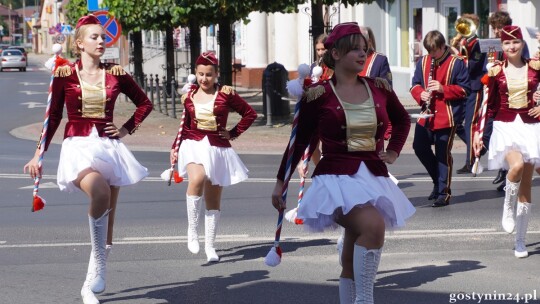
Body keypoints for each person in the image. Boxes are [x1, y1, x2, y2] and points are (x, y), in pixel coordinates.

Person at [272, 22, 415, 304]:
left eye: (365, 49)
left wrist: (394, 151)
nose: (362, 55)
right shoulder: (319, 94)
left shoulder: (380, 88)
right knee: (373, 226)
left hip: (373, 176)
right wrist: (280, 183)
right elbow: (298, 143)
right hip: (334, 180)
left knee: (350, 257)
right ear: (335, 54)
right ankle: (365, 300)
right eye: (354, 50)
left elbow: (401, 121)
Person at [23, 14, 153, 304]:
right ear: (79, 43)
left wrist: (125, 129)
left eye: (103, 37)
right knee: (99, 191)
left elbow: (145, 103)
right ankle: (94, 275)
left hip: (109, 147)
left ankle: (93, 278)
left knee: (108, 223)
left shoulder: (116, 74)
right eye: (94, 37)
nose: (101, 41)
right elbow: (53, 116)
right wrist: (38, 153)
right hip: (78, 145)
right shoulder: (65, 75)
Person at [170, 51, 257, 263]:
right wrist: (175, 147)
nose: (204, 79)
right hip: (193, 144)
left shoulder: (226, 94)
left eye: (209, 75)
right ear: (195, 73)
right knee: (197, 178)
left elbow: (250, 114)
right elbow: (185, 125)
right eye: (200, 74)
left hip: (217, 147)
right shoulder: (189, 95)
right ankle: (192, 230)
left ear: (216, 75)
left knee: (213, 199)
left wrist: (233, 133)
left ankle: (210, 245)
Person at [473, 25, 540, 258]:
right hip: (506, 126)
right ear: (501, 46)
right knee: (517, 165)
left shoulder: (535, 67)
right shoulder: (495, 71)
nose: (511, 47)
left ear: (522, 43)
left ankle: (520, 241)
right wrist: (477, 133)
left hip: (531, 127)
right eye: (507, 43)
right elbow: (485, 105)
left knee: (526, 187)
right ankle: (507, 208)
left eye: (516, 42)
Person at [410, 30, 470, 207]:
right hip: (427, 114)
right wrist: (421, 94)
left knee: (442, 154)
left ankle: (444, 192)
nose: (431, 55)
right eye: (429, 51)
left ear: (443, 47)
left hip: (447, 115)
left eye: (434, 51)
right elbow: (415, 85)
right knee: (419, 147)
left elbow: (465, 90)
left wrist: (443, 89)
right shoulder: (424, 61)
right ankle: (437, 181)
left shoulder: (456, 63)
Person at [486, 11, 531, 190]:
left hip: (517, 103)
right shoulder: (491, 44)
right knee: (490, 135)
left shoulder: (517, 44)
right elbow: (481, 71)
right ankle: (506, 170)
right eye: (494, 28)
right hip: (496, 97)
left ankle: (508, 174)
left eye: (499, 27)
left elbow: (525, 68)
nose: (496, 31)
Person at [452, 14, 487, 175]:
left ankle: (470, 160)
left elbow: (474, 65)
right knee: (457, 123)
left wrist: (459, 57)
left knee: (470, 124)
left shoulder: (477, 43)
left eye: (468, 24)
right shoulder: (464, 42)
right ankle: (478, 146)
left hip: (474, 86)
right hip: (463, 87)